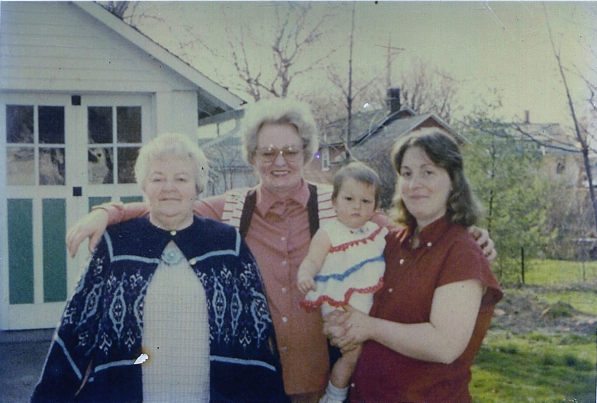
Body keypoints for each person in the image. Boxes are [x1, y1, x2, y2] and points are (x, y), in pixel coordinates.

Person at [64, 100, 497, 403]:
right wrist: (107, 212)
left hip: (329, 381)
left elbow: (406, 233)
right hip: (255, 384)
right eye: (267, 152)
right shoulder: (231, 208)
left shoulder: (343, 204)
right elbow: (169, 204)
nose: (280, 161)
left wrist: (470, 235)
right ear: (252, 157)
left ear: (307, 153)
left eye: (291, 151)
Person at [31, 133, 288, 403]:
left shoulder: (226, 243)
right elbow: (77, 327)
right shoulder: (117, 243)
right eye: (158, 178)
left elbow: (259, 333)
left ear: (197, 186)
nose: (169, 188)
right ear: (144, 185)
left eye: (181, 178)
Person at [323, 130, 503, 403]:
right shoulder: (389, 240)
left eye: (427, 172)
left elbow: (445, 345)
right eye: (406, 174)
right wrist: (339, 323)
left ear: (453, 181)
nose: (414, 183)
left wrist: (368, 327)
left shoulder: (462, 251)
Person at [297, 162, 387, 403]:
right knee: (352, 355)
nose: (357, 206)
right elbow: (312, 260)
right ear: (334, 202)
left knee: (372, 358)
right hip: (340, 308)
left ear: (375, 207)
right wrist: (305, 275)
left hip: (368, 312)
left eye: (366, 201)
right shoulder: (329, 232)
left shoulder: (376, 232)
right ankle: (334, 397)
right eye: (349, 199)